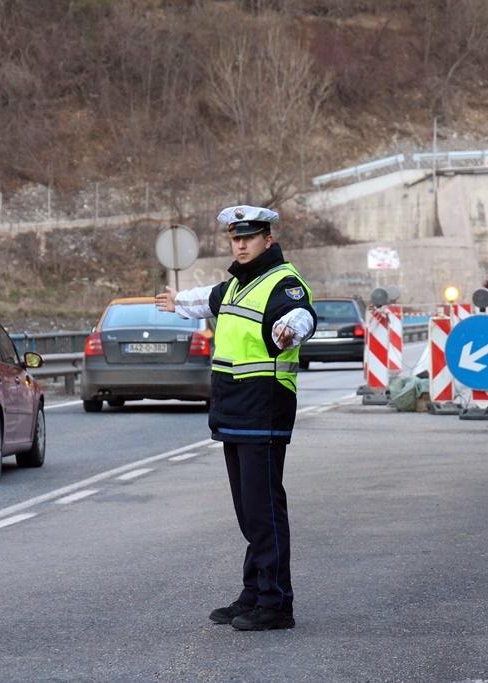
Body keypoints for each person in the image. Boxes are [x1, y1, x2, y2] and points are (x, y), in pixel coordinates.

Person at [155, 204, 315, 631]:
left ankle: (277, 603)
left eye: (248, 237)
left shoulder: (283, 282)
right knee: (249, 512)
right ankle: (253, 593)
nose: (240, 244)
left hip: (263, 410)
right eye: (234, 238)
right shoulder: (238, 286)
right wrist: (174, 302)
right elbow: (206, 300)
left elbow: (301, 315)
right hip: (235, 413)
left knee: (263, 511)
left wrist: (290, 330)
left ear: (268, 239)